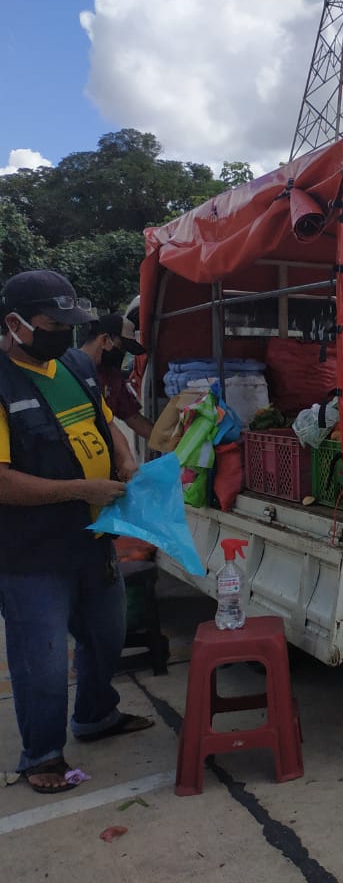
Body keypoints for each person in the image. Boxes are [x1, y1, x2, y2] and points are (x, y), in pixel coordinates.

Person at [0, 271, 154, 794]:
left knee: (106, 637)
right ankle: (42, 756)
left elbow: (107, 421)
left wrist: (125, 459)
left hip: (93, 540)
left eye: (69, 324)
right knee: (42, 661)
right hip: (32, 553)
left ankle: (95, 716)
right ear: (15, 323)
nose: (63, 334)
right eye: (52, 324)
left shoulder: (74, 366)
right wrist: (82, 488)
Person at [80, 312, 154, 442]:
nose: (122, 354)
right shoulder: (67, 369)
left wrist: (173, 443)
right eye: (121, 347)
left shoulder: (112, 378)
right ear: (104, 339)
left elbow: (133, 418)